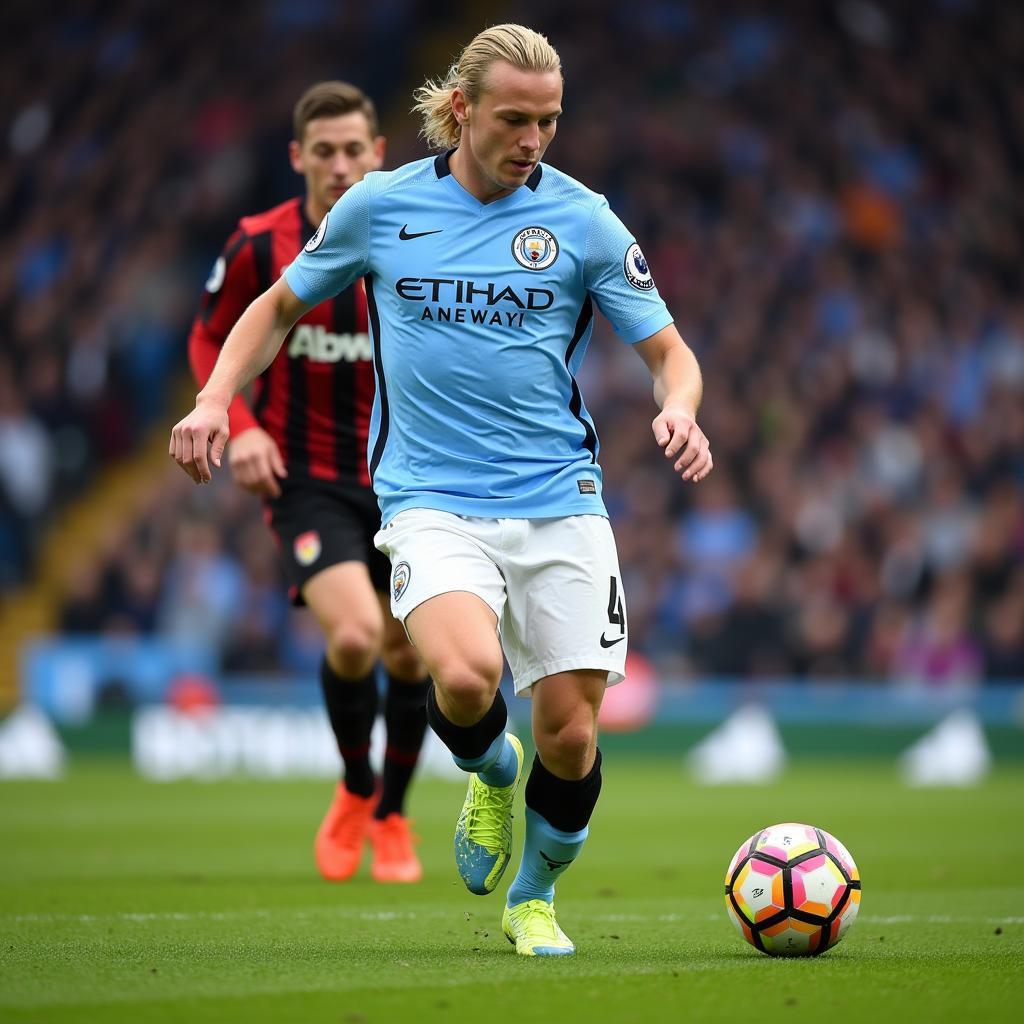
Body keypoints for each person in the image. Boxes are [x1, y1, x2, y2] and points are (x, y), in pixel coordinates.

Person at [171, 26, 713, 955]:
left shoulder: (583, 219)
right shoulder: (380, 208)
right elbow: (276, 307)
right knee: (462, 678)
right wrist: (219, 400)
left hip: (561, 501)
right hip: (429, 499)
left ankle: (533, 898)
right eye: (514, 119)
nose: (534, 139)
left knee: (574, 739)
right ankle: (491, 774)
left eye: (548, 120)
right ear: (461, 110)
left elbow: (669, 354)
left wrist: (683, 410)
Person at [186, 81, 430, 885]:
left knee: (410, 653)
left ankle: (394, 814)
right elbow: (208, 338)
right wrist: (240, 424)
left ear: (378, 154)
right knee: (358, 635)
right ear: (297, 157)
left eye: (353, 149)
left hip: (406, 480)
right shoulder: (260, 245)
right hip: (307, 480)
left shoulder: (418, 234)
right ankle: (357, 788)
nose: (339, 164)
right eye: (322, 151)